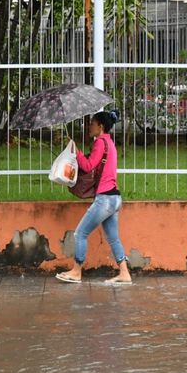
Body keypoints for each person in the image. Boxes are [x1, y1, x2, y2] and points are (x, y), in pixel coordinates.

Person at [56, 111, 132, 284]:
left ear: (101, 126)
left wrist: (77, 152)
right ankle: (124, 273)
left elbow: (89, 166)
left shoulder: (100, 142)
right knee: (113, 238)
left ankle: (76, 271)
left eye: (92, 123)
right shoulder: (110, 143)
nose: (89, 126)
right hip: (115, 198)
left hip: (105, 199)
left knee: (80, 233)